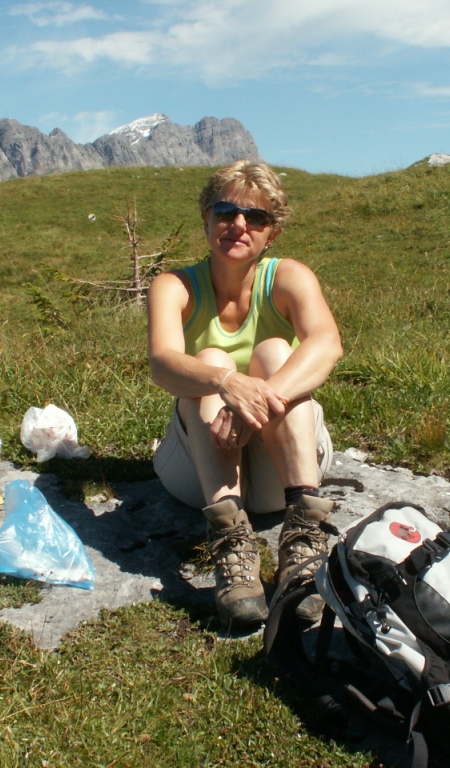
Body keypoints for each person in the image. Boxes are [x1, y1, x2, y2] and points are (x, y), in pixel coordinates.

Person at [148, 160, 343, 628]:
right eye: (226, 211)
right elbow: (163, 363)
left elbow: (327, 343)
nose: (238, 225)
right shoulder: (173, 286)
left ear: (271, 233)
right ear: (207, 220)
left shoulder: (289, 276)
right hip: (201, 467)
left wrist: (257, 398)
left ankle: (304, 536)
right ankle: (232, 542)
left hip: (282, 467)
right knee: (212, 360)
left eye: (255, 217)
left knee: (277, 352)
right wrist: (225, 383)